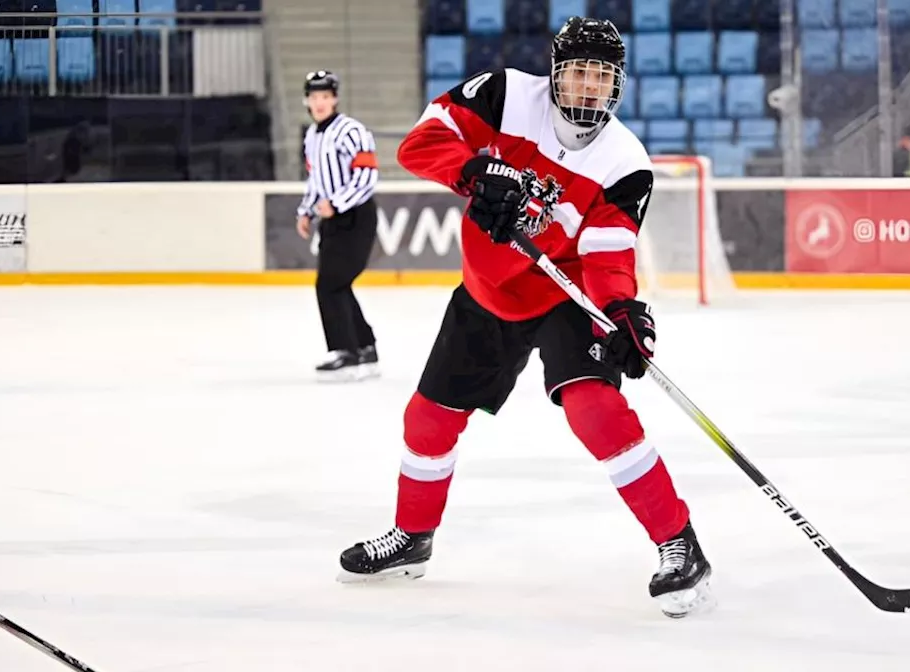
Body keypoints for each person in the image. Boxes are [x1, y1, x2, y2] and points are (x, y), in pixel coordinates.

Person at [335, 17, 714, 618]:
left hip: (566, 296)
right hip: (487, 292)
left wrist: (622, 312)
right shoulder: (507, 94)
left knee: (597, 411)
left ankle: (679, 546)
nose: (590, 88)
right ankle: (412, 538)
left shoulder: (626, 161)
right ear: (557, 73)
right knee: (427, 420)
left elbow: (608, 249)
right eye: (581, 73)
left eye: (603, 77)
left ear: (617, 84)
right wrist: (474, 173)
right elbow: (421, 142)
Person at [295, 70, 381, 381]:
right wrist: (306, 211)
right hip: (330, 219)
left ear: (335, 99)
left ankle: (345, 352)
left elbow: (367, 176)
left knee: (329, 284)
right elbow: (316, 180)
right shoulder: (312, 136)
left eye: (325, 96)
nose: (320, 102)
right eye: (314, 97)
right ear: (307, 100)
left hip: (355, 216)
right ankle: (365, 348)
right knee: (337, 284)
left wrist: (337, 203)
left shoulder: (351, 131)